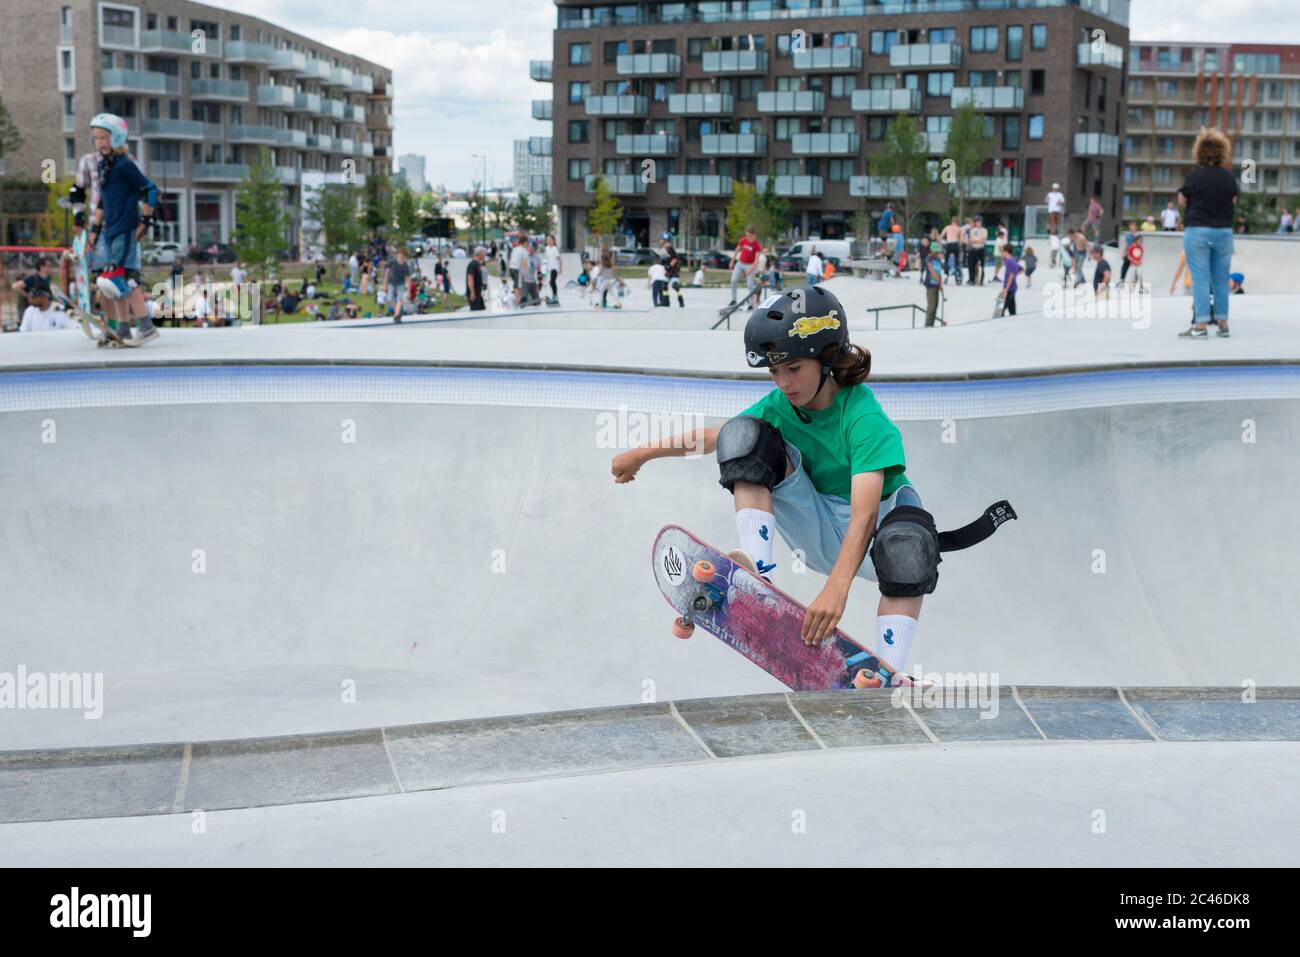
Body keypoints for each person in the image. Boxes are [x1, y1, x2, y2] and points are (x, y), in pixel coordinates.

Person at [609, 285, 1013, 686]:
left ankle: (888, 673)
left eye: (793, 368)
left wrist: (837, 589)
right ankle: (756, 573)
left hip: (875, 540)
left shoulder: (862, 416)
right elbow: (715, 437)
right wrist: (642, 453)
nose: (784, 383)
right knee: (743, 435)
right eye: (774, 371)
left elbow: (865, 514)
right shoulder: (779, 407)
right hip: (814, 523)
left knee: (909, 544)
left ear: (826, 358)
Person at [84, 113, 161, 345]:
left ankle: (146, 328)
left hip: (126, 229)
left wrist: (145, 223)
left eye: (104, 138)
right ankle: (125, 330)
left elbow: (150, 190)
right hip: (110, 231)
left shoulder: (125, 165)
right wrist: (95, 230)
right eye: (96, 138)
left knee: (117, 279)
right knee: (115, 284)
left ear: (116, 138)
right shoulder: (103, 165)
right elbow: (102, 201)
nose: (100, 143)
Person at [1177, 127, 1238, 339]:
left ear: (1199, 151)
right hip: (1223, 231)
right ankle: (1223, 324)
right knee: (1221, 278)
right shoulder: (1228, 176)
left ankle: (1200, 326)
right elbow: (1233, 200)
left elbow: (1183, 200)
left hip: (1198, 230)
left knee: (1200, 279)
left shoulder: (1194, 175)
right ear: (1222, 152)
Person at [729, 225, 763, 305]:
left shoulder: (757, 245)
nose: (748, 237)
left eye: (749, 236)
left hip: (750, 265)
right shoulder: (743, 240)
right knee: (733, 280)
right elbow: (737, 250)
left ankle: (751, 303)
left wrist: (750, 270)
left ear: (754, 235)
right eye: (746, 235)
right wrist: (732, 261)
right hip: (740, 263)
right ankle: (734, 300)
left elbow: (756, 260)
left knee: (749, 284)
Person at [921, 241, 944, 328]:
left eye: (937, 251)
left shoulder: (938, 259)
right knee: (931, 305)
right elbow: (931, 269)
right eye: (935, 251)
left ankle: (932, 324)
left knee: (936, 305)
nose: (937, 252)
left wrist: (940, 284)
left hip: (937, 284)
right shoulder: (929, 258)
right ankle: (928, 324)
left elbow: (939, 272)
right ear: (931, 250)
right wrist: (936, 278)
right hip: (930, 284)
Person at [385, 249, 411, 321]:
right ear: (397, 256)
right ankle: (397, 310)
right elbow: (387, 271)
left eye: (402, 258)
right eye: (399, 257)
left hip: (401, 284)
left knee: (400, 298)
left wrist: (409, 291)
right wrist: (385, 283)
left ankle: (396, 315)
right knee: (389, 299)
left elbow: (408, 279)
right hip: (391, 282)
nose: (401, 260)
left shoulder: (406, 266)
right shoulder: (392, 261)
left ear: (405, 258)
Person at [997, 245, 1020, 316]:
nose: (1002, 253)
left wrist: (1005, 289)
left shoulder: (1010, 262)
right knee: (1012, 309)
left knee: (1001, 309)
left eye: (1003, 252)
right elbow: (1020, 269)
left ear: (1006, 252)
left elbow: (1011, 276)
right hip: (1012, 287)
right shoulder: (1011, 260)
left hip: (1010, 288)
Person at [940, 217, 962, 284]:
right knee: (957, 260)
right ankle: (958, 274)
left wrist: (941, 244)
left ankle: (946, 274)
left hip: (949, 244)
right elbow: (960, 240)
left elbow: (941, 236)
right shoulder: (959, 229)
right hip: (955, 244)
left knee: (946, 260)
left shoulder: (947, 227)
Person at [466, 246, 488, 311]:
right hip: (474, 293)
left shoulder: (477, 264)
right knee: (475, 311)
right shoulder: (473, 264)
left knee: (482, 309)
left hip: (478, 293)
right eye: (484, 254)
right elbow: (470, 279)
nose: (484, 255)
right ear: (479, 254)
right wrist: (472, 293)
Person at [967, 218, 987, 285]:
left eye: (979, 222)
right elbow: (971, 240)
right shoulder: (972, 230)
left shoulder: (984, 230)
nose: (978, 223)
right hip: (973, 249)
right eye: (977, 222)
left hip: (981, 249)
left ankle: (981, 280)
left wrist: (976, 240)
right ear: (975, 223)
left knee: (982, 265)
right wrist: (979, 239)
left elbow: (983, 240)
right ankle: (971, 279)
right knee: (971, 264)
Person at [543, 235, 562, 305]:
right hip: (550, 268)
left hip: (555, 268)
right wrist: (546, 268)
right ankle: (554, 297)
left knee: (552, 282)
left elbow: (559, 259)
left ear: (553, 241)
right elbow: (547, 258)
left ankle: (555, 297)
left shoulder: (554, 248)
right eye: (547, 240)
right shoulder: (547, 248)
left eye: (550, 240)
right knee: (551, 282)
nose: (548, 241)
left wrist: (560, 269)